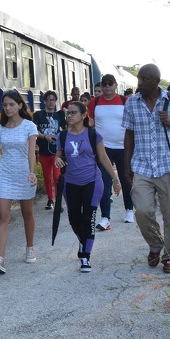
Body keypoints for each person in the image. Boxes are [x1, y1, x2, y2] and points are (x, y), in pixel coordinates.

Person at [123, 64, 170, 274]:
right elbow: (129, 135)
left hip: (167, 165)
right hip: (141, 165)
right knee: (143, 211)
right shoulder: (132, 103)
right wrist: (127, 166)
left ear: (155, 81)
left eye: (144, 79)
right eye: (138, 79)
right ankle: (155, 245)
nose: (139, 83)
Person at [55, 101, 121, 272]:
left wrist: (115, 180)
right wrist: (57, 159)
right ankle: (83, 242)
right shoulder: (62, 136)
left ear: (83, 115)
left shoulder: (93, 135)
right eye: (68, 113)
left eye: (73, 112)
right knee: (74, 219)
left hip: (92, 181)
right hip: (71, 183)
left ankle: (85, 256)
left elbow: (104, 158)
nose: (69, 115)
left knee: (88, 218)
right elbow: (58, 155)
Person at [0, 90, 38, 274]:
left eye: (11, 104)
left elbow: (31, 152)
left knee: (27, 213)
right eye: (4, 105)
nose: (7, 108)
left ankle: (30, 247)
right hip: (4, 176)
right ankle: (0, 258)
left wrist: (32, 172)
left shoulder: (29, 127)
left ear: (19, 105)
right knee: (2, 217)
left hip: (24, 175)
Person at [88, 73, 135, 230]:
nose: (107, 86)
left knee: (125, 179)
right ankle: (105, 217)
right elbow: (90, 122)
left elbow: (132, 123)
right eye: (104, 84)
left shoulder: (124, 101)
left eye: (110, 83)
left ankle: (129, 209)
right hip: (103, 148)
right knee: (104, 182)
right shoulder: (94, 102)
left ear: (115, 85)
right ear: (101, 86)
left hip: (123, 147)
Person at [33, 90, 67, 210]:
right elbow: (34, 130)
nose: (51, 102)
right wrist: (44, 137)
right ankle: (50, 199)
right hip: (44, 150)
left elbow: (66, 128)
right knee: (47, 176)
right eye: (48, 100)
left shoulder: (59, 115)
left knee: (57, 177)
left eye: (53, 100)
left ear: (56, 101)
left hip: (57, 151)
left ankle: (58, 200)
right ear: (45, 101)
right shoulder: (39, 115)